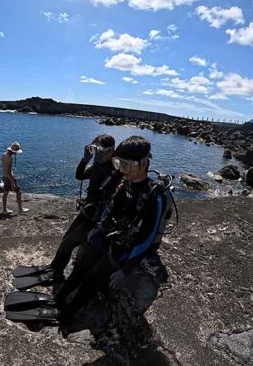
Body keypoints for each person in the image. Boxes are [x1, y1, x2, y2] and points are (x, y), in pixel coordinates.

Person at [56, 135, 169, 325]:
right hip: (111, 237)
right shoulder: (124, 185)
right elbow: (109, 211)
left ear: (143, 163)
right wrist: (97, 229)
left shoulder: (154, 196)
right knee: (82, 264)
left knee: (94, 277)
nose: (121, 169)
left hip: (127, 250)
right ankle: (59, 300)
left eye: (125, 164)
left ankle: (67, 315)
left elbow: (147, 238)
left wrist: (126, 270)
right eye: (118, 163)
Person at [49, 134, 121, 282]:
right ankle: (54, 267)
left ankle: (57, 274)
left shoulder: (116, 169)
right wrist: (85, 160)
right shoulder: (98, 164)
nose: (97, 154)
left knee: (69, 243)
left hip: (98, 216)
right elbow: (79, 176)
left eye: (99, 150)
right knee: (66, 239)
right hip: (88, 210)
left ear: (111, 150)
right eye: (94, 149)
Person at [2, 142, 29, 214]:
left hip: (4, 177)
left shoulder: (4, 155)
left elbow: (5, 169)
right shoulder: (9, 158)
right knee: (18, 192)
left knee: (5, 193)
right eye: (16, 152)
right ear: (13, 151)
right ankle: (20, 209)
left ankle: (4, 210)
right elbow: (9, 171)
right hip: (9, 178)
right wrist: (12, 182)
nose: (16, 154)